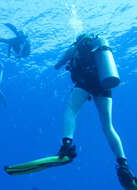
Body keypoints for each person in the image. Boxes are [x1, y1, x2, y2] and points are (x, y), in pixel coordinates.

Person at [54, 33, 137, 189]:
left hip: (85, 81)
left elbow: (58, 64)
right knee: (108, 126)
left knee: (71, 110)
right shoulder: (99, 48)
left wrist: (61, 63)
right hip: (103, 82)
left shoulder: (76, 47)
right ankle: (123, 165)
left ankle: (67, 145)